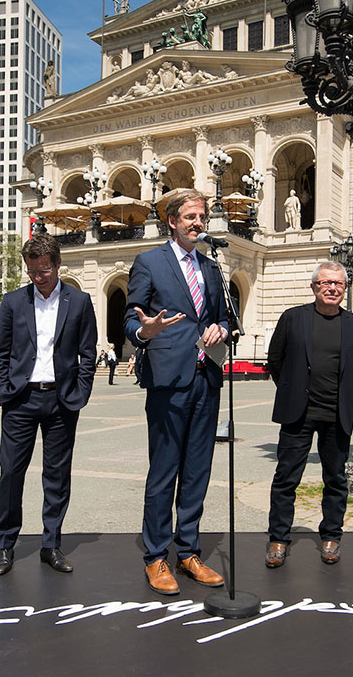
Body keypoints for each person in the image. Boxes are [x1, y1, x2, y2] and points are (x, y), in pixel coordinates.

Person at [124, 188, 228, 596]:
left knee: (198, 471)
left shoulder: (212, 267)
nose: (197, 223)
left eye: (201, 216)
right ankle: (155, 557)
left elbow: (221, 316)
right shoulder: (149, 262)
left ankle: (188, 551)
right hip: (168, 380)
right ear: (172, 221)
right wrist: (144, 333)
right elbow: (131, 321)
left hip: (208, 377)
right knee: (164, 471)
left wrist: (224, 328)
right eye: (189, 216)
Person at [0, 234, 96, 576]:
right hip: (21, 399)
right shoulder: (12, 302)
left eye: (45, 270)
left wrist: (80, 393)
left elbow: (88, 353)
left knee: (57, 475)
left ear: (57, 264)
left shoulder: (79, 301)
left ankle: (51, 544)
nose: (39, 277)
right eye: (33, 271)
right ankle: (5, 545)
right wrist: (2, 391)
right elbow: (1, 353)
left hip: (62, 401)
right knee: (10, 473)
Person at [264, 262, 353, 568]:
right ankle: (278, 539)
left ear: (345, 289)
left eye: (338, 284)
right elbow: (275, 360)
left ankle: (332, 536)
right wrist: (293, 388)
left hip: (337, 415)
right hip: (299, 413)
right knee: (286, 478)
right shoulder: (293, 318)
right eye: (325, 283)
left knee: (335, 479)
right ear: (314, 287)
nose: (332, 288)